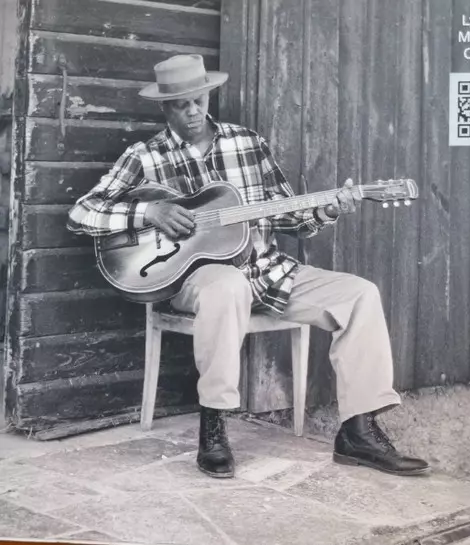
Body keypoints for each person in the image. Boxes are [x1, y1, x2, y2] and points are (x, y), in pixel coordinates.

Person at [67, 54, 429, 479]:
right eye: (181, 105)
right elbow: (81, 213)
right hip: (197, 280)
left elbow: (289, 217)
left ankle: (359, 433)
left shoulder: (247, 143)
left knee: (359, 294)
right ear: (165, 107)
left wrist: (328, 209)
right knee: (228, 285)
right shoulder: (144, 156)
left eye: (199, 100)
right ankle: (214, 426)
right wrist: (149, 212)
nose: (193, 111)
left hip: (268, 271)